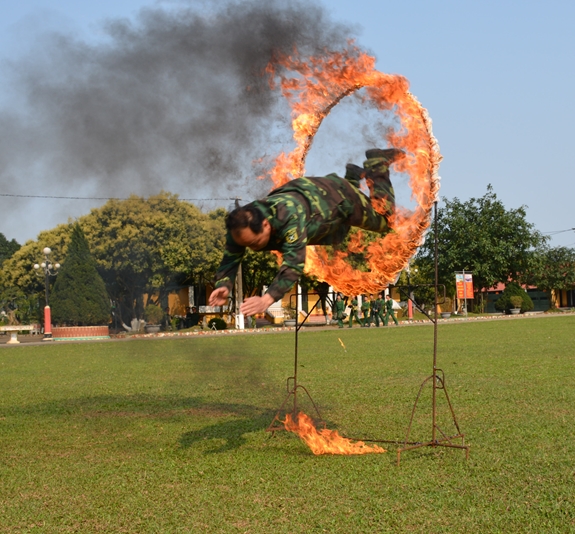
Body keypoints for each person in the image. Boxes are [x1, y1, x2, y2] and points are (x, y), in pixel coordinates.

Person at [209, 148, 404, 315]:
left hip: (340, 199)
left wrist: (267, 299)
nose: (251, 248)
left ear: (267, 225)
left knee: (386, 219)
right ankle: (352, 176)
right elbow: (230, 259)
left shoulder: (289, 216)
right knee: (339, 233)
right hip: (317, 198)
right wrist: (224, 285)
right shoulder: (241, 223)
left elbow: (293, 264)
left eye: (254, 243)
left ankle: (377, 162)